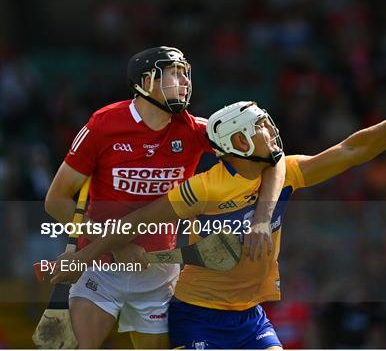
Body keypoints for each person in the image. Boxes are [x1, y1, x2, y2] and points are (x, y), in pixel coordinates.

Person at [52, 73, 386, 349]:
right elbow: (134, 223)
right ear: (238, 141)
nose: (273, 130)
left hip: (250, 316)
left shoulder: (286, 170)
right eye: (262, 127)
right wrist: (83, 256)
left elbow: (353, 150)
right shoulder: (202, 189)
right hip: (197, 314)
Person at [44, 46, 285, 349]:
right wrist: (113, 245)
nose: (185, 81)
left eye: (187, 74)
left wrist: (262, 219)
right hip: (100, 266)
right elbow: (56, 200)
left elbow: (274, 160)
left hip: (157, 274)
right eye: (174, 73)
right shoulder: (103, 125)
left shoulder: (195, 130)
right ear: (146, 81)